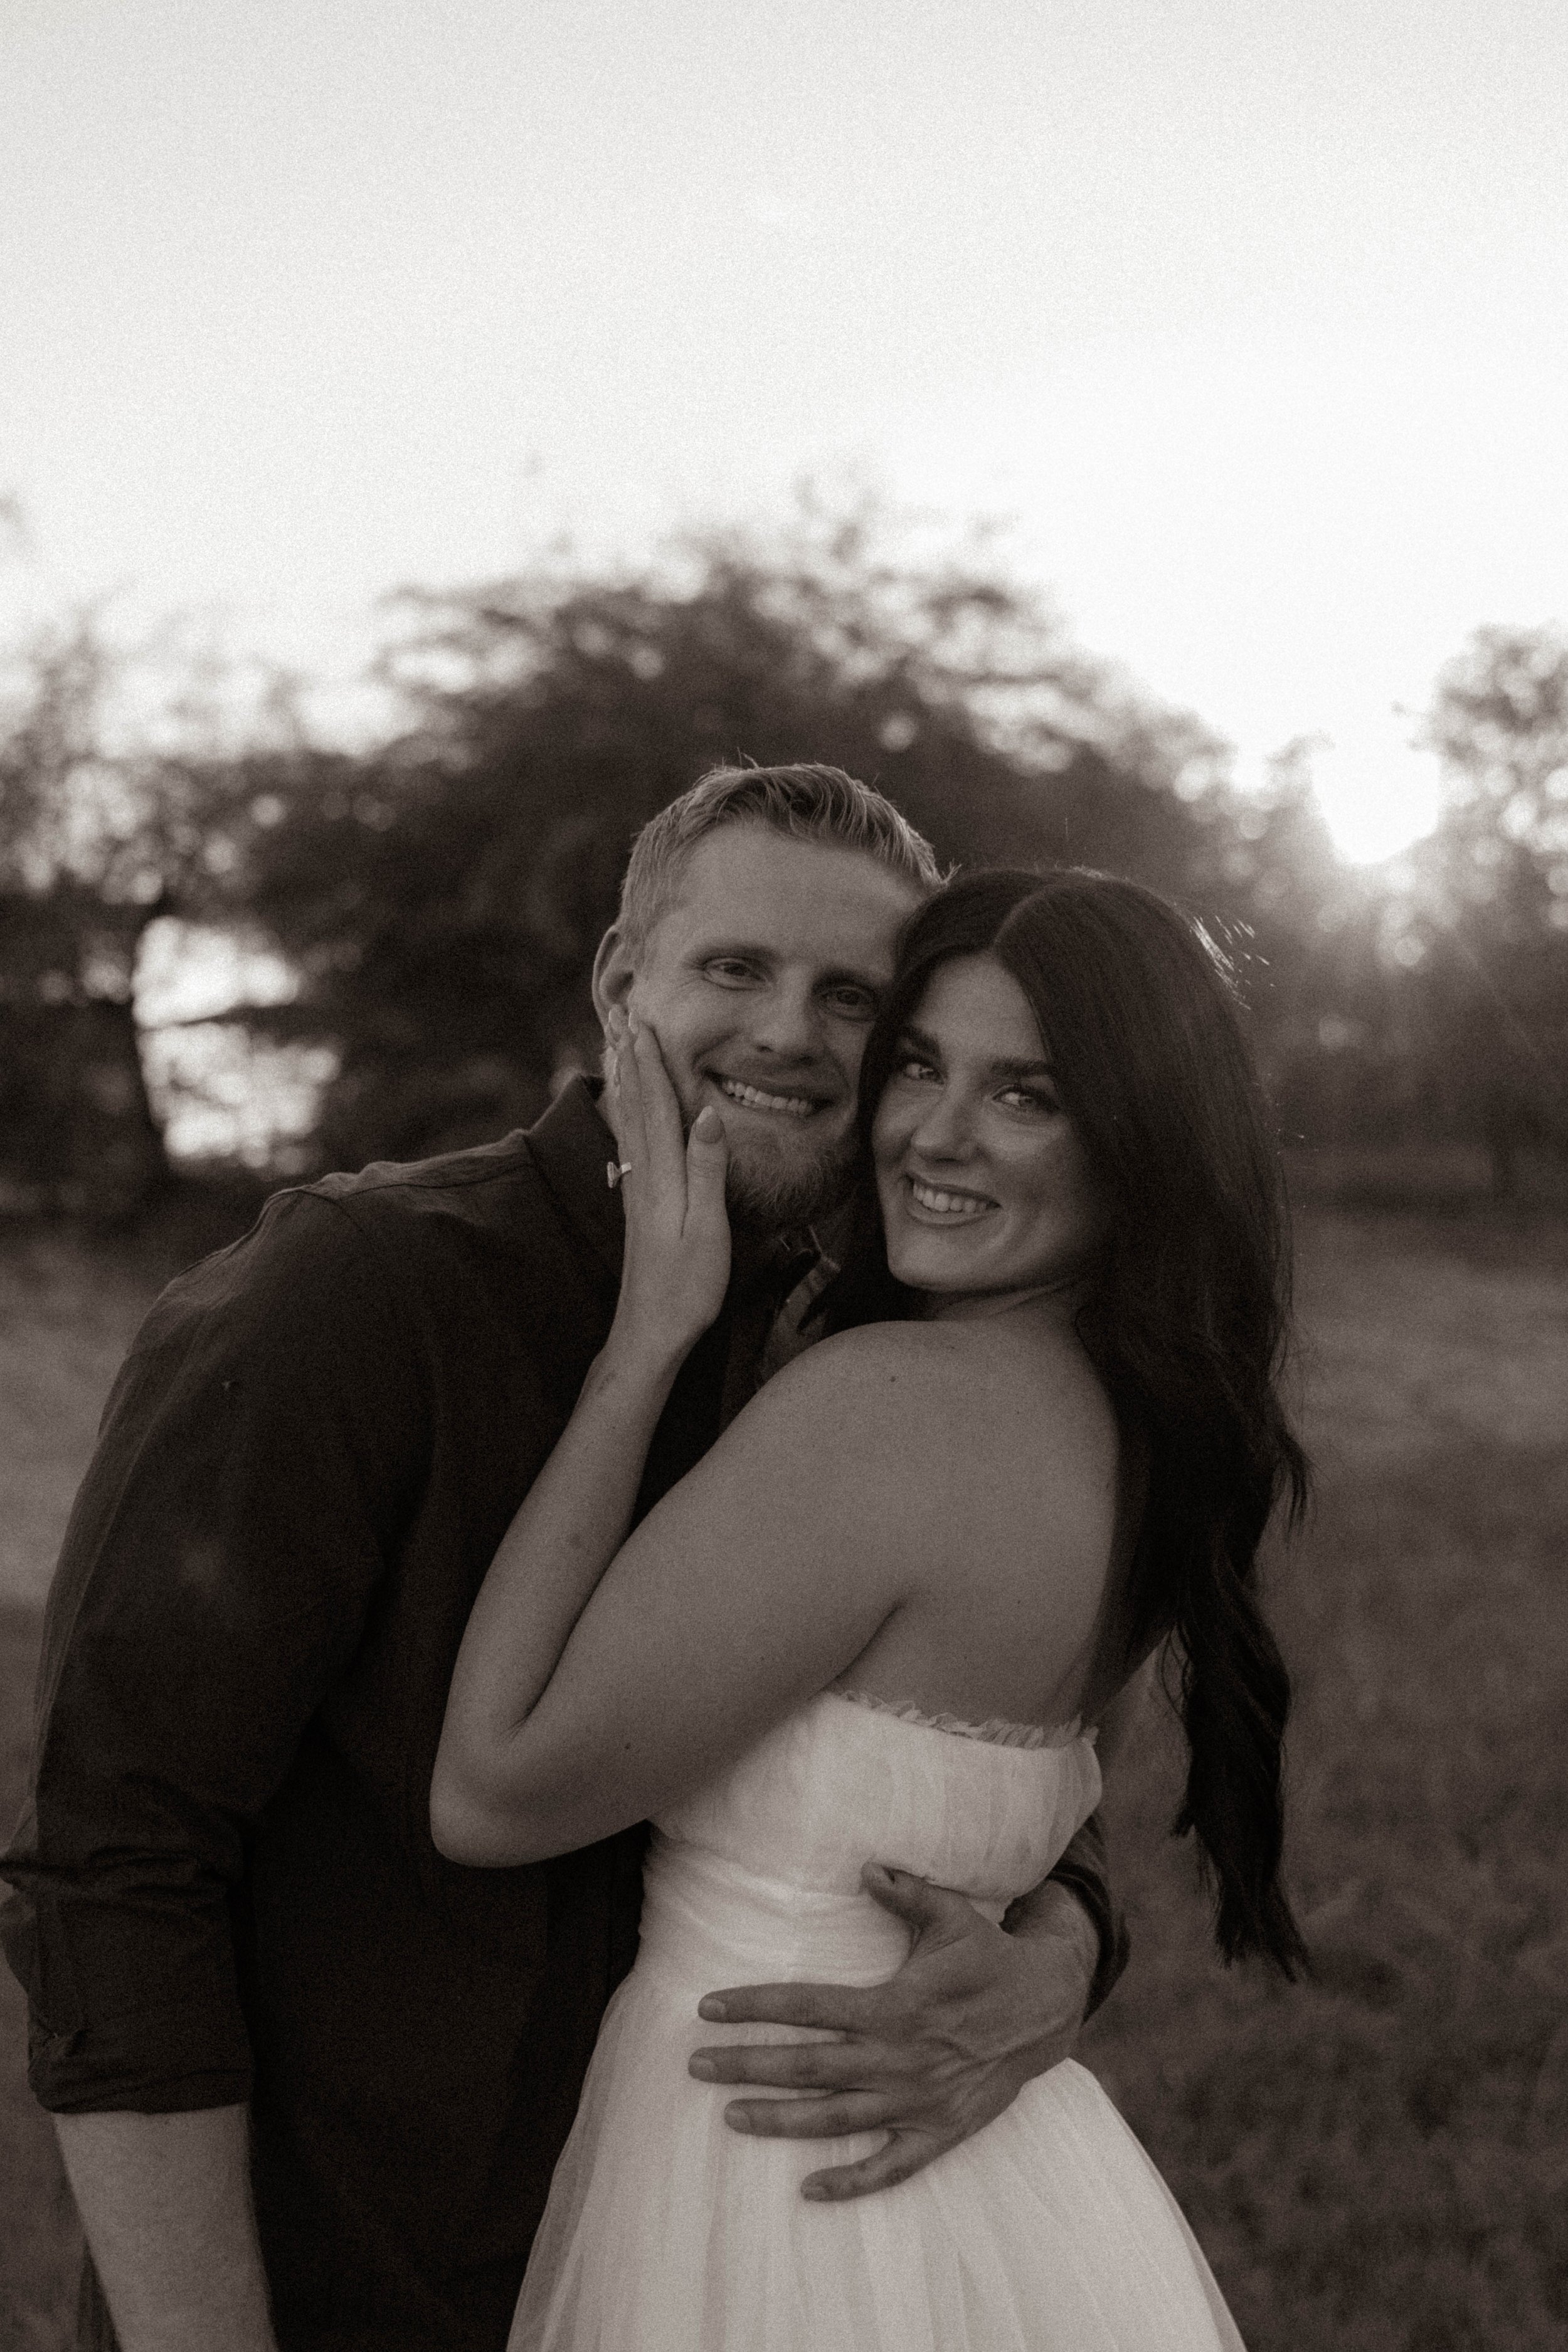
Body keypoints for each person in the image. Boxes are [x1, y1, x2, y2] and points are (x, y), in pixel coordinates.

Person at [0, 768, 1125, 2352]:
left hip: (709, 2273)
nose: (788, 1034)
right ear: (619, 982)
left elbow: (943, 1763)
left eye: (850, 997)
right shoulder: (348, 1298)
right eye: (733, 969)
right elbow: (110, 1868)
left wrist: (1061, 1953)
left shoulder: (860, 1356)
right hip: (345, 2281)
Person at [432, 864, 1311, 2350]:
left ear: (1138, 1144)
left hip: (761, 2188)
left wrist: (644, 1344)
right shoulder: (1142, 1434)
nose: (931, 1135)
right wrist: (1061, 1953)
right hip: (1000, 2200)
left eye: (1025, 1095)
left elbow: (493, 1788)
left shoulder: (886, 1413)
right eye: (917, 1065)